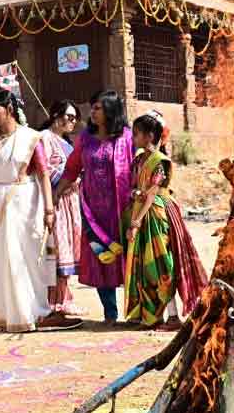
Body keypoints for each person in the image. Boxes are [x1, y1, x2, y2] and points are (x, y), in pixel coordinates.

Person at [0, 90, 81, 331]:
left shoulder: (30, 137)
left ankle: (36, 311)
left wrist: (49, 209)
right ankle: (2, 313)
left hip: (25, 201)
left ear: (9, 110)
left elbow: (44, 174)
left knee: (27, 256)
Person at [122, 112, 209, 329]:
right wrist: (135, 196)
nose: (133, 138)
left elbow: (152, 194)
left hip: (157, 215)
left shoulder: (160, 162)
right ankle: (151, 316)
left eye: (137, 134)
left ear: (150, 136)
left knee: (162, 264)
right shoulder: (138, 160)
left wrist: (136, 223)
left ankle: (173, 316)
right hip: (141, 214)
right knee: (144, 267)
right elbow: (135, 188)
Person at [55, 90, 134, 325]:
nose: (93, 112)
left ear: (111, 110)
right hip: (94, 214)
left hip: (122, 211)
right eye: (93, 107)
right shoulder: (85, 139)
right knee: (102, 259)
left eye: (98, 108)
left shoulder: (127, 138)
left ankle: (136, 312)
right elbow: (71, 169)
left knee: (129, 258)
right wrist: (57, 194)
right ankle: (110, 313)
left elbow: (140, 167)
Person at [40, 100, 85, 317]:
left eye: (75, 118)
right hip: (56, 200)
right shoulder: (44, 138)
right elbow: (44, 170)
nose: (73, 122)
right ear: (56, 115)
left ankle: (65, 297)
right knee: (57, 250)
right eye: (69, 117)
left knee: (68, 249)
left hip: (71, 202)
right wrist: (68, 175)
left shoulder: (67, 142)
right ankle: (55, 301)